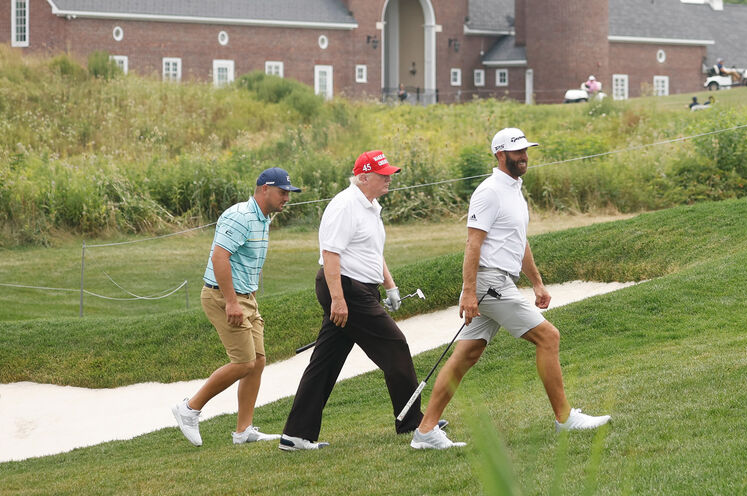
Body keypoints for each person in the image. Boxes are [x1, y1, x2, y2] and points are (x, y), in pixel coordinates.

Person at [410, 128, 610, 449]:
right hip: (490, 283)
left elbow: (518, 241)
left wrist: (537, 282)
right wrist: (469, 291)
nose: (524, 157)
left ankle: (425, 431)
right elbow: (473, 243)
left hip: (498, 282)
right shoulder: (489, 192)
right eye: (517, 152)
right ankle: (565, 418)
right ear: (500, 155)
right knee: (549, 337)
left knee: (466, 354)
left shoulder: (513, 189)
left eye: (526, 150)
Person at [278, 151, 422, 451]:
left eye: (389, 174)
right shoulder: (345, 205)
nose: (389, 179)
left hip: (359, 289)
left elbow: (371, 253)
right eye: (383, 175)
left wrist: (390, 286)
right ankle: (412, 420)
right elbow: (331, 254)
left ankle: (296, 435)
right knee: (395, 345)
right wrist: (338, 300)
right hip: (345, 288)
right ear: (363, 177)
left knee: (326, 361)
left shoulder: (371, 206)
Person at [171, 167, 301, 447]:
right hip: (223, 297)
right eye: (282, 192)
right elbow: (220, 257)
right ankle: (189, 409)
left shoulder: (263, 218)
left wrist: (246, 298)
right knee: (243, 362)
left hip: (246, 298)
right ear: (264, 189)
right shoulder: (240, 216)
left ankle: (243, 431)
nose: (287, 198)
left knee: (258, 362)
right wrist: (231, 301)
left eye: (289, 193)